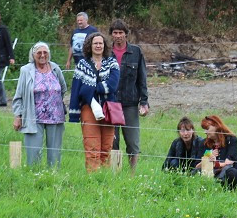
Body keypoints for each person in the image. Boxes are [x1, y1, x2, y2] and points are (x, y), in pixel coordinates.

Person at [68, 31, 120, 172]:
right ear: (89, 46)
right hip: (88, 109)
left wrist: (90, 89)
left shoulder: (112, 63)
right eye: (95, 43)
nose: (98, 45)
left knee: (106, 147)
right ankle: (93, 178)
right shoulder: (82, 65)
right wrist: (74, 113)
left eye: (100, 43)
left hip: (108, 109)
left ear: (105, 45)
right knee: (92, 146)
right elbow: (77, 89)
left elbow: (113, 85)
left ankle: (104, 178)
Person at [12, 42, 67, 168]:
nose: (42, 55)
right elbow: (19, 95)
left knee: (54, 153)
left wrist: (54, 102)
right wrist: (17, 116)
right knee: (34, 151)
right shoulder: (26, 70)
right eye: (39, 53)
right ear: (33, 55)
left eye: (45, 52)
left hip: (55, 116)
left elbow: (63, 88)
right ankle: (34, 176)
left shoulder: (55, 68)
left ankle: (53, 176)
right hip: (34, 116)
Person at [109, 19, 149, 172]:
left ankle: (132, 173)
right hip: (111, 103)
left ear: (126, 34)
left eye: (120, 33)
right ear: (111, 35)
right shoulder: (107, 52)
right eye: (115, 33)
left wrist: (144, 102)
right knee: (113, 140)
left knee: (132, 142)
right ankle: (115, 172)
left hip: (130, 103)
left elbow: (142, 79)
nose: (118, 36)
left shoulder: (136, 52)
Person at [200, 114, 237, 189]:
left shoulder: (232, 140)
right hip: (210, 172)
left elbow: (229, 163)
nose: (205, 132)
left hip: (228, 171)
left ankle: (225, 189)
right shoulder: (205, 143)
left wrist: (213, 163)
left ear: (216, 126)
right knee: (196, 172)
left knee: (231, 172)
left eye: (207, 128)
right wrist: (208, 158)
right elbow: (202, 164)